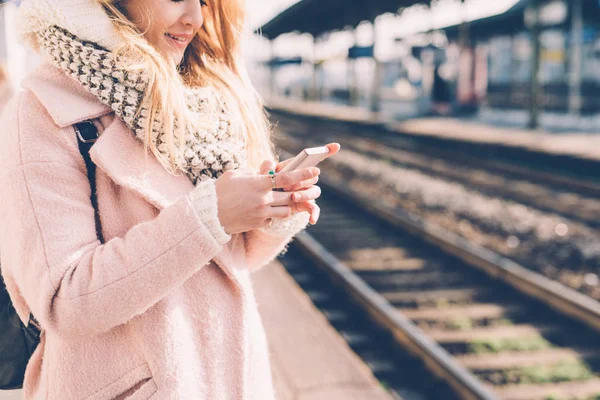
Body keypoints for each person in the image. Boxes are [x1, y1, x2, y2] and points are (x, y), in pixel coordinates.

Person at [0, 0, 340, 399]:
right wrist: (210, 216)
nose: (194, 17)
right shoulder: (42, 112)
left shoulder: (197, 100)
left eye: (201, 0)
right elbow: (64, 301)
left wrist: (271, 207)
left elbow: (229, 260)